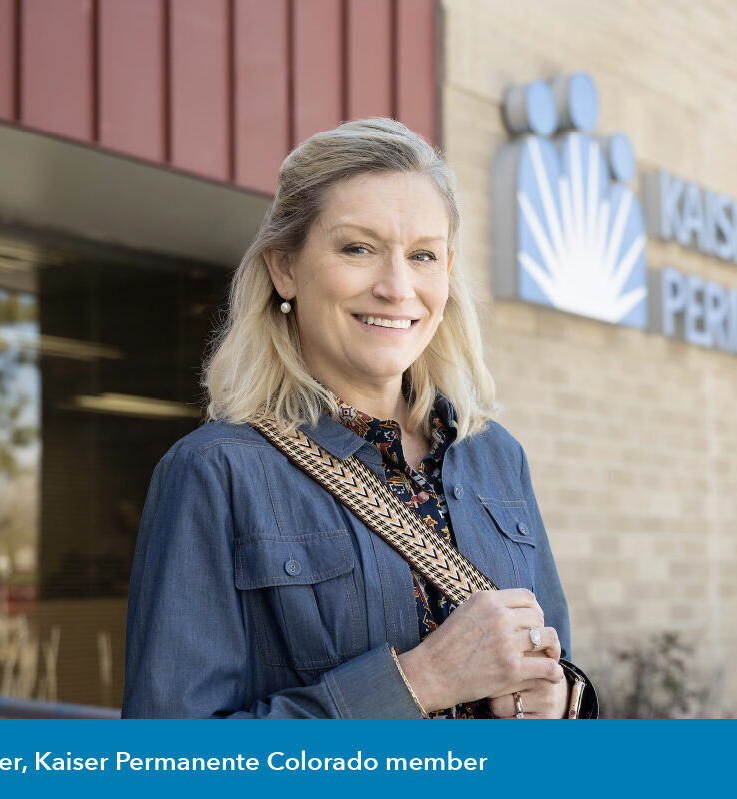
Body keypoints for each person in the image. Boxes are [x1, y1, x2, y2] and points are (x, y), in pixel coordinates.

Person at [122, 118, 575, 718]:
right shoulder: (213, 472)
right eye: (358, 248)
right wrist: (418, 682)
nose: (396, 286)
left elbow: (556, 664)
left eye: (422, 256)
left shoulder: (495, 456)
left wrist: (558, 700)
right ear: (285, 267)